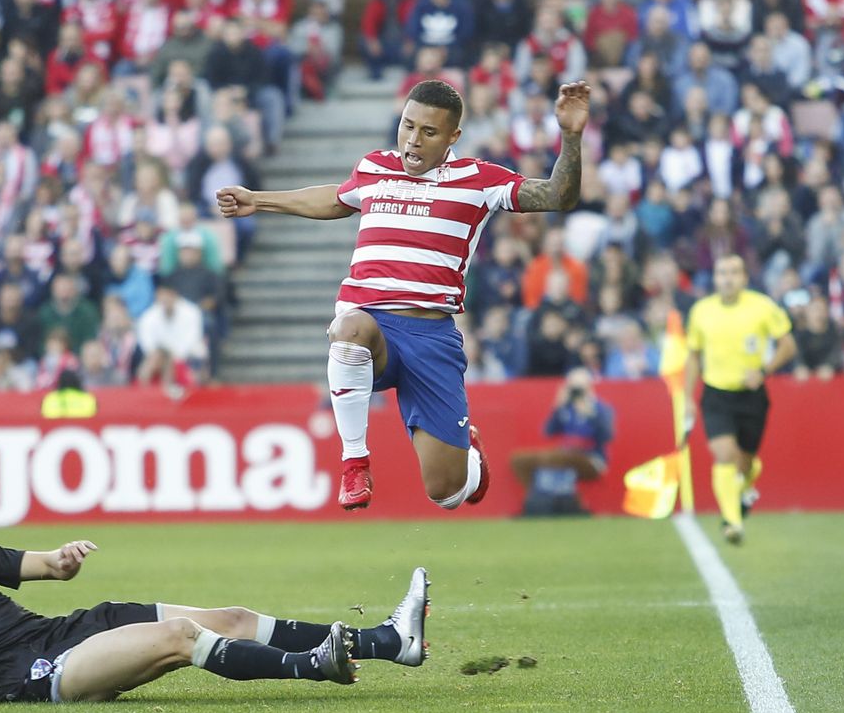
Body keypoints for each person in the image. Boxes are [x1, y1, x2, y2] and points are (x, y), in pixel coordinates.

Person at [0, 476, 431, 709]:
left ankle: (388, 642)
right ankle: (317, 664)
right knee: (183, 640)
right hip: (43, 677)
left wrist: (64, 558)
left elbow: (47, 569)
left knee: (233, 617)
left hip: (71, 631)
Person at [217, 79, 591, 512]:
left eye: (428, 132)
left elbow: (557, 196)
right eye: (407, 126)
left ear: (453, 137)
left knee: (447, 493)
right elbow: (335, 198)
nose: (413, 140)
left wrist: (571, 136)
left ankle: (468, 459)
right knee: (348, 328)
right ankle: (354, 462)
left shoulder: (480, 180)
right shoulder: (375, 167)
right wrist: (258, 201)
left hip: (431, 338)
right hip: (375, 329)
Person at [683, 255, 796, 545]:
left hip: (751, 396)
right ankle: (732, 522)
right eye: (722, 272)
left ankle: (747, 487)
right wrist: (687, 398)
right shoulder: (701, 311)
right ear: (714, 278)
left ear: (744, 278)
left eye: (734, 272)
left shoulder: (762, 307)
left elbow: (788, 345)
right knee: (724, 455)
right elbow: (694, 356)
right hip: (717, 394)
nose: (728, 278)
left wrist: (764, 371)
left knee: (745, 463)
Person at [509, 368, 615, 515]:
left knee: (558, 457)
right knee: (521, 460)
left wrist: (591, 415)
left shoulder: (600, 409)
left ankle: (572, 505)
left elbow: (607, 437)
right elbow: (548, 431)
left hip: (591, 458)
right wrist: (557, 406)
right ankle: (537, 501)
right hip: (564, 455)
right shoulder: (566, 408)